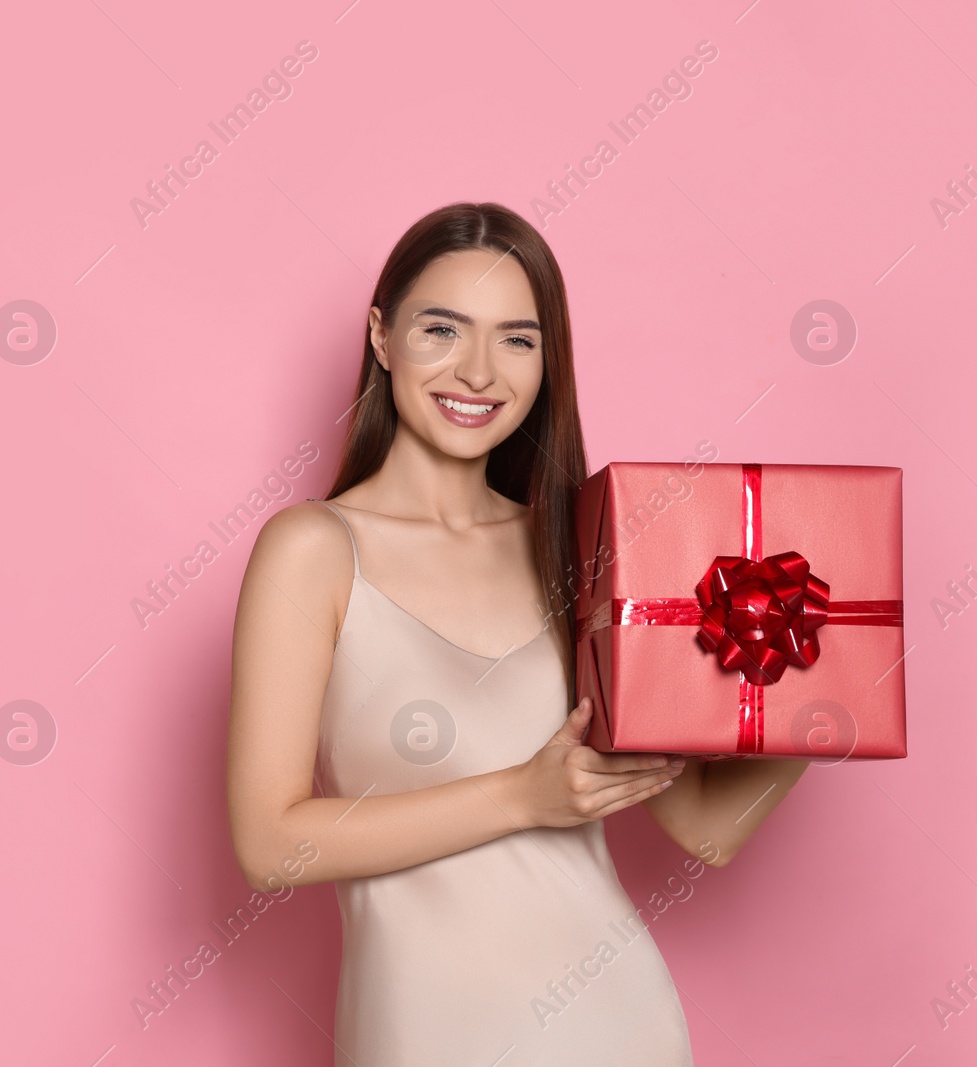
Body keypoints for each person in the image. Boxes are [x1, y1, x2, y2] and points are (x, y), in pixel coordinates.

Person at [225, 202, 809, 1064]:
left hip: (617, 1029)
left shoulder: (578, 554)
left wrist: (821, 692)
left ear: (547, 362)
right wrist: (522, 796)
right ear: (382, 338)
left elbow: (705, 830)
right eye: (442, 329)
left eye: (518, 339)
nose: (478, 371)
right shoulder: (313, 549)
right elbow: (270, 844)